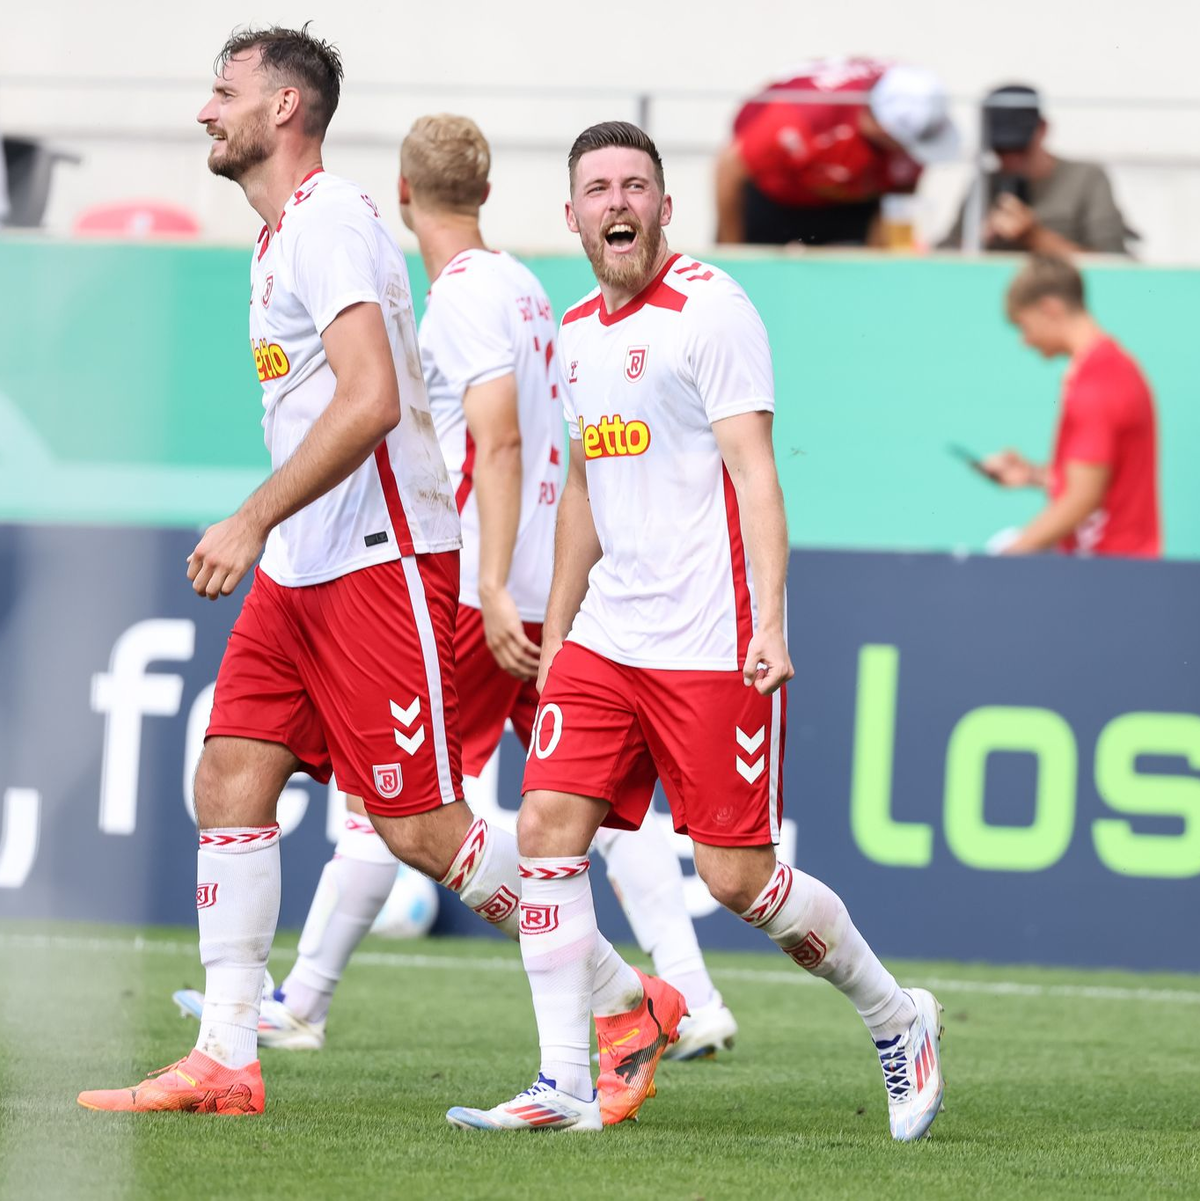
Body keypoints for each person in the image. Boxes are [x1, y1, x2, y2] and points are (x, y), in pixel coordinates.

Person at [76, 27, 652, 1118]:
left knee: (421, 828)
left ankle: (621, 997)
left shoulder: (332, 221)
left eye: (225, 90)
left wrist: (249, 517)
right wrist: (274, 538)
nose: (207, 110)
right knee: (231, 775)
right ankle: (228, 1056)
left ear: (286, 107)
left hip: (380, 565)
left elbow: (371, 396)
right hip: (306, 568)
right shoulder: (280, 236)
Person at [170, 113, 737, 1063]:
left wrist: (491, 579)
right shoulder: (522, 285)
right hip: (510, 576)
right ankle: (686, 995)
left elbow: (501, 441)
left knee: (414, 816)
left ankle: (310, 996)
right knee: (569, 802)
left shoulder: (462, 294)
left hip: (466, 582)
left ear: (405, 196)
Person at [448, 121, 946, 1140]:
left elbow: (758, 477)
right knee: (544, 830)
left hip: (713, 641)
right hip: (608, 640)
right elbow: (585, 488)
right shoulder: (576, 335)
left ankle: (899, 1017)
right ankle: (563, 1079)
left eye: (636, 185)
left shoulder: (712, 312)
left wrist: (770, 622)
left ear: (665, 207)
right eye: (598, 189)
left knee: (737, 879)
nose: (618, 203)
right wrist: (564, 614)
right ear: (575, 215)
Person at [984, 255, 1160, 556]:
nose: (1024, 341)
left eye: (1023, 325)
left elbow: (1082, 498)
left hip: (1108, 573)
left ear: (1049, 308)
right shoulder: (1114, 368)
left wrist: (1011, 555)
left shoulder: (1096, 384)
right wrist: (1031, 474)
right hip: (1120, 568)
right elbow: (1099, 478)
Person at [715, 57, 959, 246]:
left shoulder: (906, 96)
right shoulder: (803, 116)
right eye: (908, 145)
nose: (913, 156)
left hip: (849, 199)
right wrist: (733, 254)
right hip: (774, 201)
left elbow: (901, 190)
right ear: (884, 130)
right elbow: (730, 167)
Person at [941, 85, 1132, 255]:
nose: (1010, 159)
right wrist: (977, 240)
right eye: (1000, 149)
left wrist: (1035, 237)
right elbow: (941, 254)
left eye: (1019, 147)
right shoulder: (984, 185)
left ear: (1043, 129)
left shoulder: (1087, 179)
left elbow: (1113, 264)